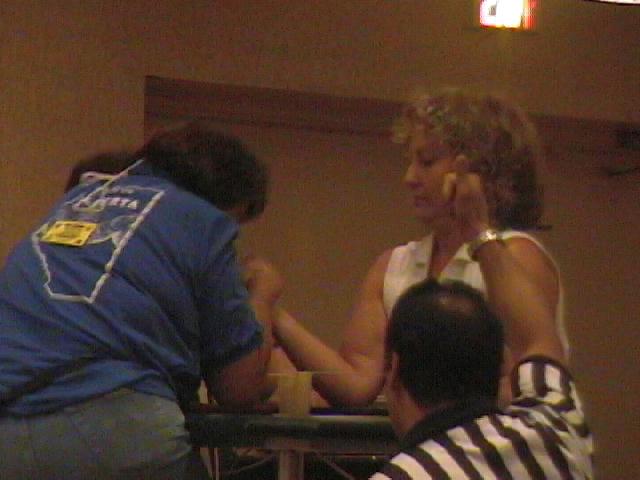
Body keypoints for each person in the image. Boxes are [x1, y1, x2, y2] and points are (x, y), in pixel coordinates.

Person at [0, 123, 281, 479]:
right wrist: (264, 294)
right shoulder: (201, 219)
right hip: (110, 424)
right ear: (225, 202)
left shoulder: (77, 202)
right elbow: (240, 390)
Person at [274, 88, 568, 406]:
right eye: (410, 162)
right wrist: (273, 316)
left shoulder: (515, 256)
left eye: (427, 161)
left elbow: (528, 383)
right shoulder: (394, 265)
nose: (409, 178)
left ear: (478, 170)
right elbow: (358, 383)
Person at [370, 155, 593, 479]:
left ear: (394, 373)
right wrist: (478, 229)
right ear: (502, 364)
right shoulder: (555, 432)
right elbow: (537, 337)